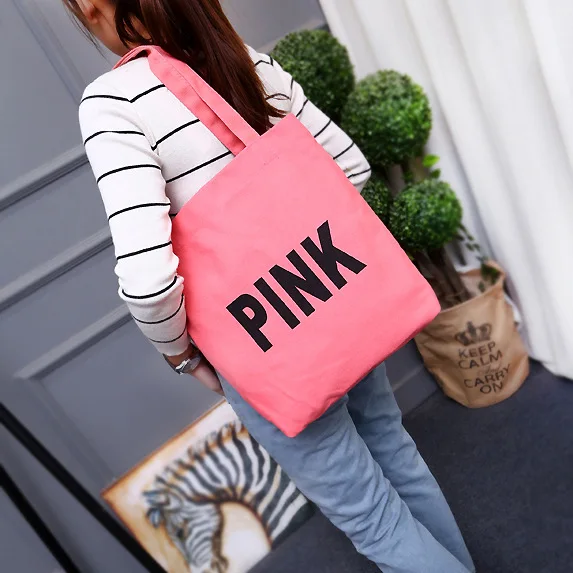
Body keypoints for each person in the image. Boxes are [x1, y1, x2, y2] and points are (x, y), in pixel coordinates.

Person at [66, 1, 475, 571]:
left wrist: (182, 355)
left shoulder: (112, 103)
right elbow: (352, 167)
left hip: (263, 340)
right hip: (336, 296)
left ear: (91, 7)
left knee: (374, 520)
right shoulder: (239, 57)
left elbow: (148, 281)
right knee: (394, 449)